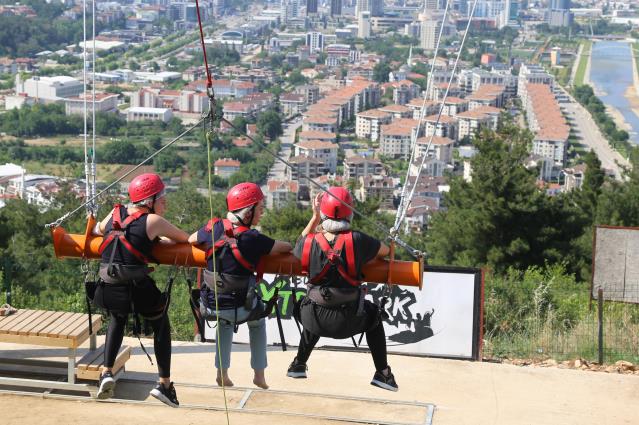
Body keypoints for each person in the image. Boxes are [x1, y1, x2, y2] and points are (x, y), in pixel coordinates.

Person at [287, 187, 398, 392]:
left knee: (313, 304)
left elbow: (300, 243)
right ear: (350, 213)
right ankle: (383, 373)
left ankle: (299, 363)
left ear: (323, 213)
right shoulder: (358, 240)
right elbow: (387, 251)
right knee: (373, 315)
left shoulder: (309, 243)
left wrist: (314, 218)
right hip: (349, 321)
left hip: (314, 319)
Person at [92, 173, 189, 407]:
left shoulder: (115, 213)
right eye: (162, 197)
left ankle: (106, 372)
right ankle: (164, 384)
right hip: (136, 289)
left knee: (117, 318)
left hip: (106, 288)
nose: (165, 201)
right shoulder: (153, 221)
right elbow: (185, 239)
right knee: (161, 325)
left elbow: (97, 230)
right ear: (149, 200)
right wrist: (156, 242)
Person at [189, 182, 292, 389]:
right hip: (240, 307)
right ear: (248, 214)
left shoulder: (215, 227)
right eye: (260, 209)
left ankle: (222, 373)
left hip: (211, 304)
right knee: (257, 323)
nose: (261, 214)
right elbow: (286, 247)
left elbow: (192, 239)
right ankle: (259, 375)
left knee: (225, 323)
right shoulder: (253, 238)